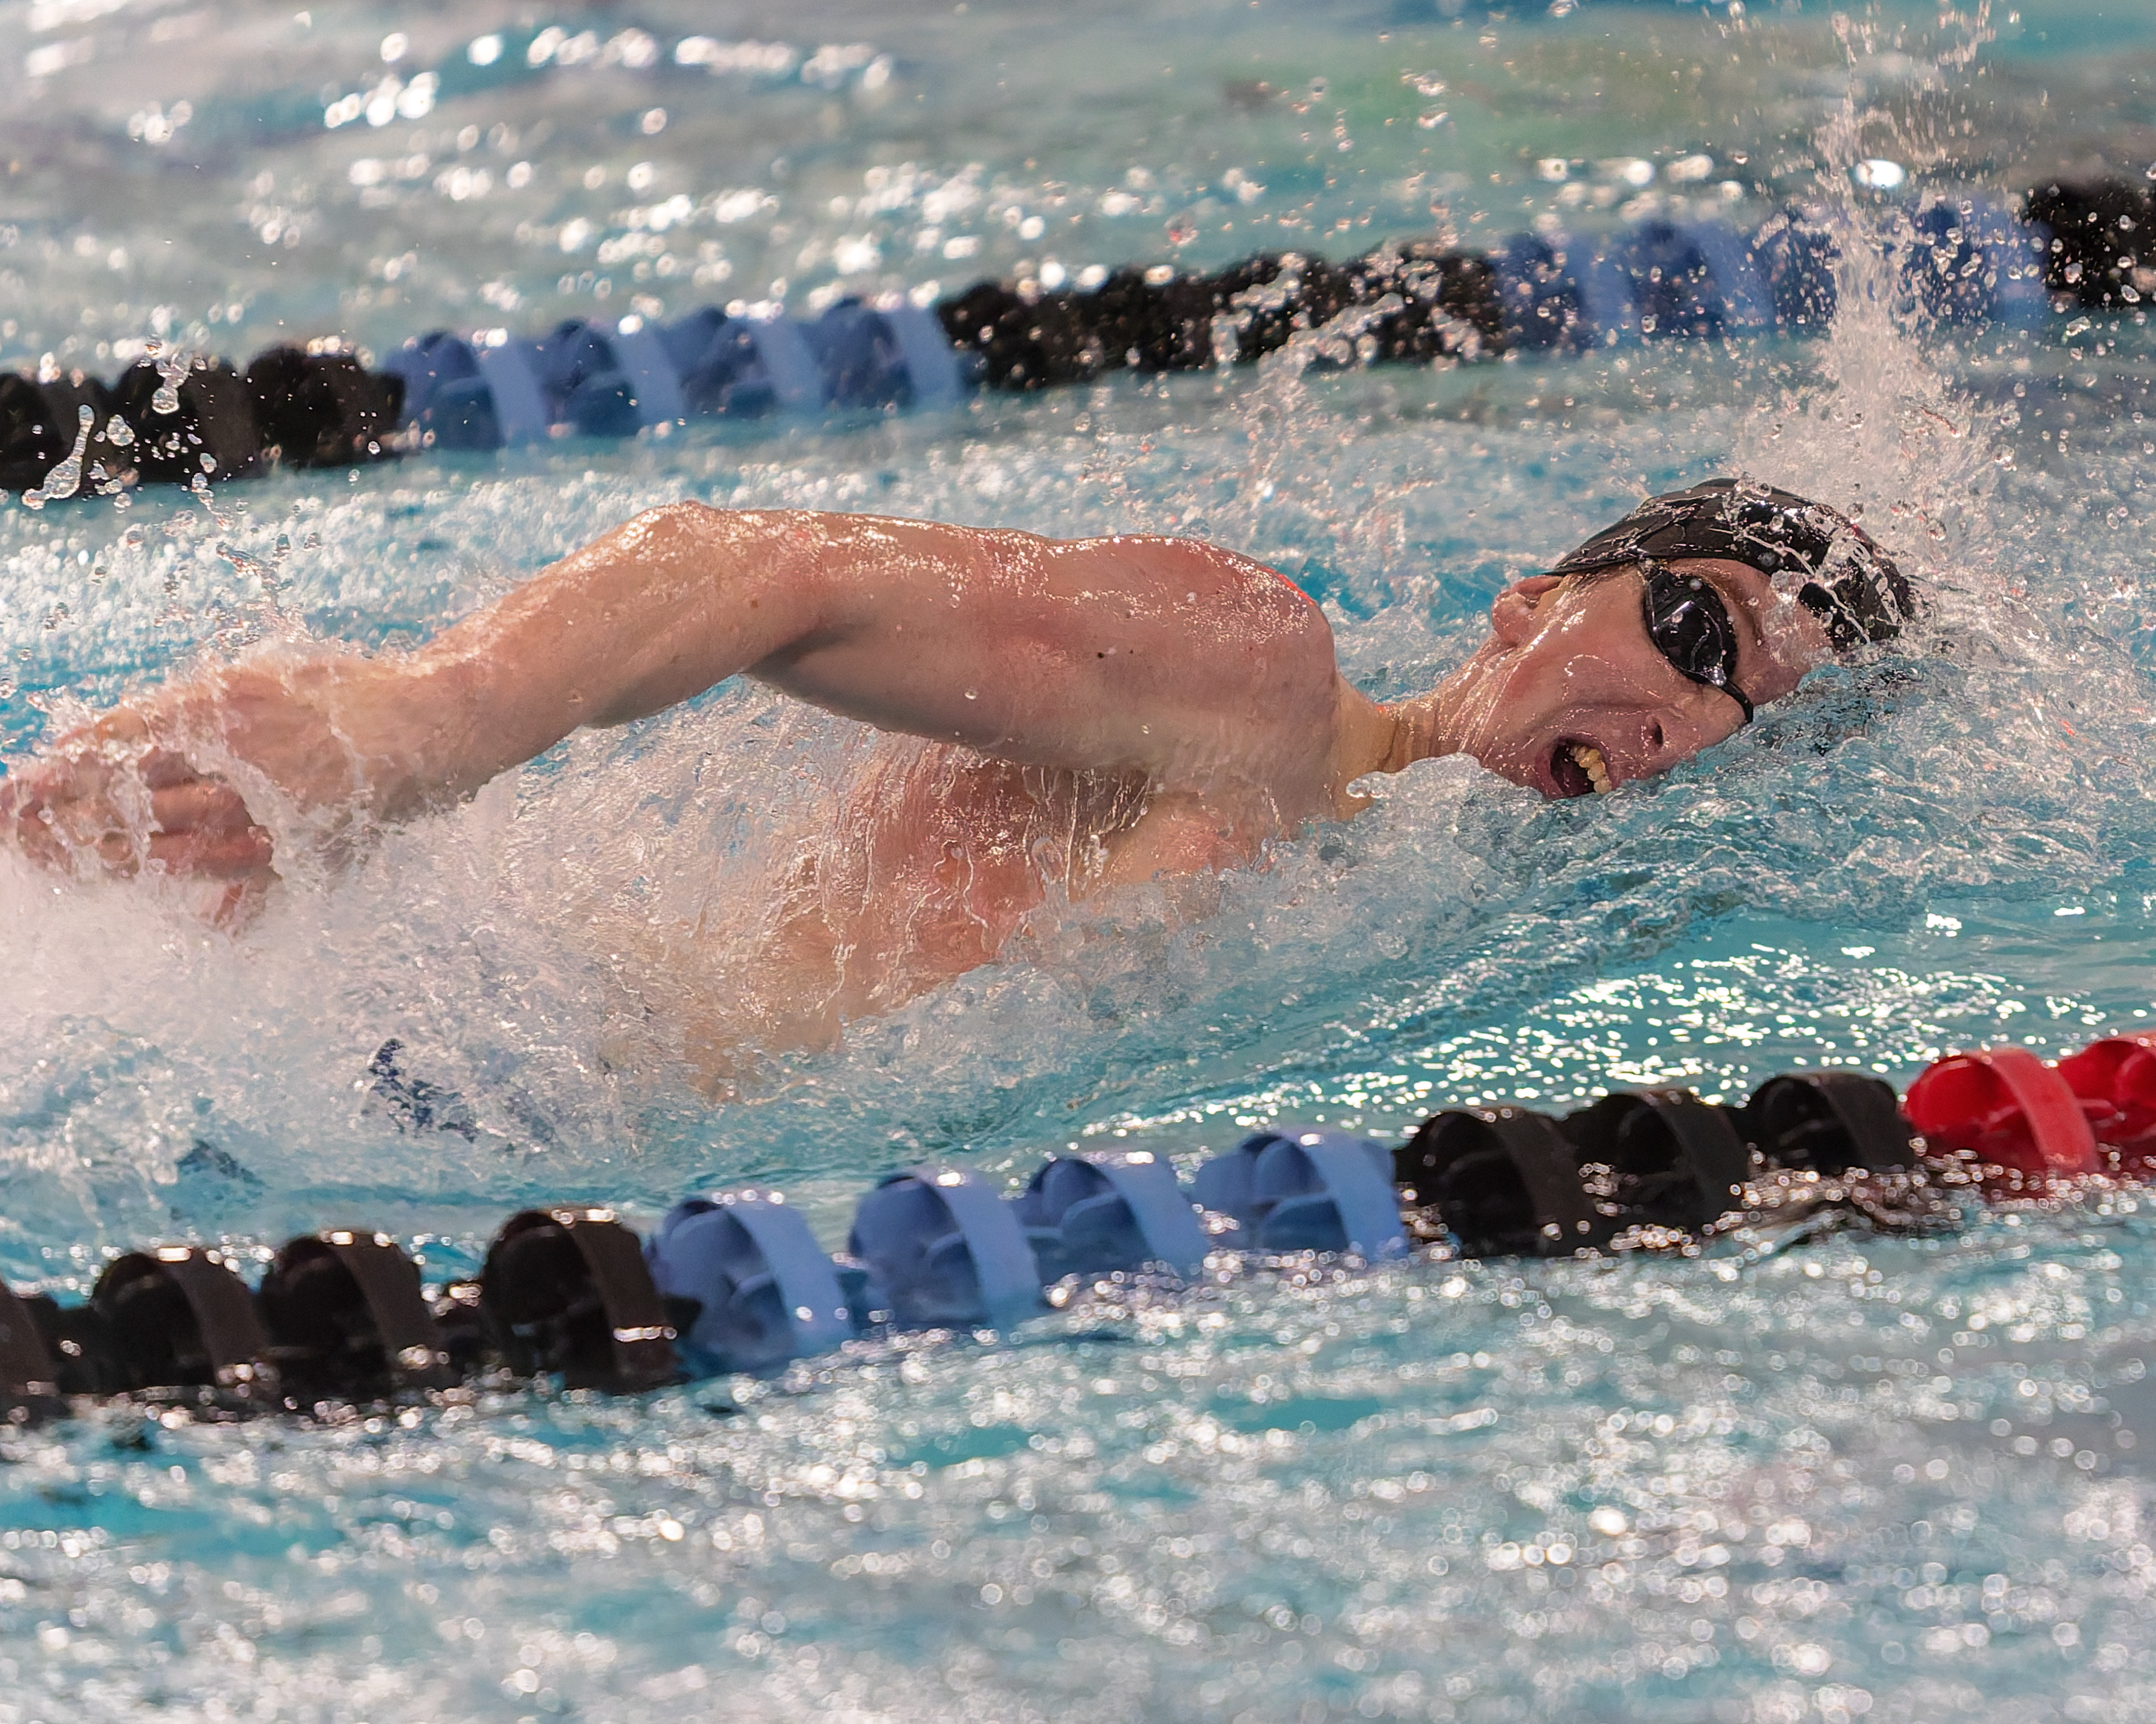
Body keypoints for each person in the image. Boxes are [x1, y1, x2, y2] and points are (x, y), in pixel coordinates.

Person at [0, 477, 1912, 1067]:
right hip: (461, 1040)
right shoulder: (1255, 685)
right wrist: (425, 723)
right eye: (1696, 630)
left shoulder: (1400, 919)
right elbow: (761, 565)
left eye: (1750, 716)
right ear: (1532, 597)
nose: (1694, 722)